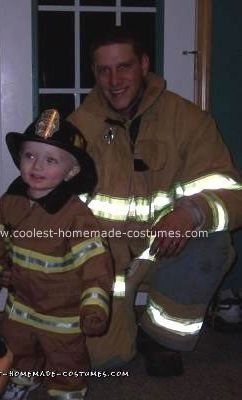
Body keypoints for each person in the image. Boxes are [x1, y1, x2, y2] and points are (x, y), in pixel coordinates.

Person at [67, 26, 242, 376]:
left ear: (144, 64)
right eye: (104, 70)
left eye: (124, 67)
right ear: (95, 73)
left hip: (167, 247)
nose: (114, 80)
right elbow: (50, 203)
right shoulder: (77, 128)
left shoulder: (189, 121)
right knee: (104, 360)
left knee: (212, 246)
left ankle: (161, 338)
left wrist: (191, 213)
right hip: (105, 255)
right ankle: (121, 326)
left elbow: (232, 193)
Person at [0, 109, 113, 400]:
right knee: (17, 345)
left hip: (62, 312)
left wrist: (95, 306)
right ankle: (23, 378)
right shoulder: (11, 201)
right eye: (30, 156)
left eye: (51, 160)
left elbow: (96, 265)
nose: (37, 166)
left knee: (65, 358)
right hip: (20, 303)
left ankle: (67, 391)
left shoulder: (76, 218)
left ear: (71, 171)